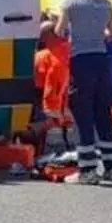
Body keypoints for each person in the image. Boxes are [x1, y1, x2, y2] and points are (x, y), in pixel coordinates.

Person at [54, 0, 112, 184]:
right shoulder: (106, 5)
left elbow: (59, 30)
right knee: (102, 111)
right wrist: (97, 32)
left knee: (83, 113)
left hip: (81, 61)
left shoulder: (71, 2)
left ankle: (88, 169)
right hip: (101, 61)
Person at [33, 20, 73, 150]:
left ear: (50, 35)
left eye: (42, 35)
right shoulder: (65, 49)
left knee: (53, 138)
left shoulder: (55, 56)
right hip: (64, 98)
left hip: (50, 100)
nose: (40, 38)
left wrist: (52, 113)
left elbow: (54, 85)